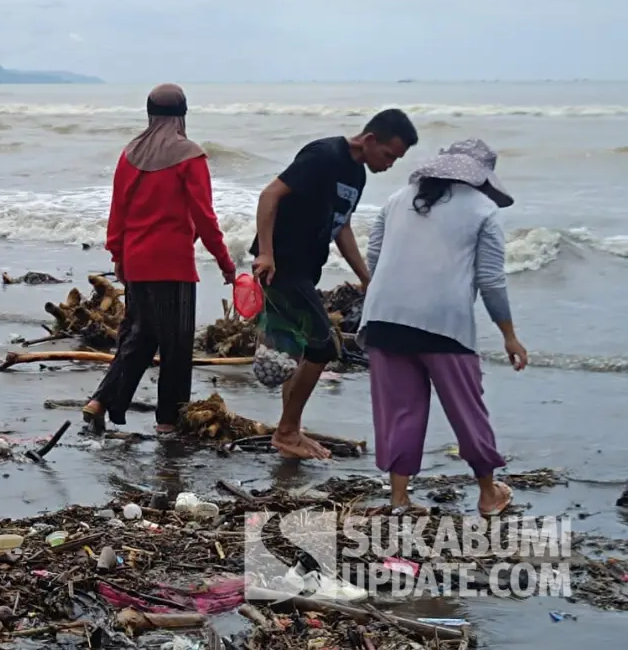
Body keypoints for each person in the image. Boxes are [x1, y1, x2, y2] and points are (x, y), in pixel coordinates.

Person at [359, 139, 528, 516]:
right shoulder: (484, 209)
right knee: (467, 410)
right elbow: (490, 280)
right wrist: (509, 335)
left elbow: (374, 255)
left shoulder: (398, 198)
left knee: (399, 410)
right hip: (443, 325)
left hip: (384, 319)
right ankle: (488, 494)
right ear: (480, 176)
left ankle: (399, 500)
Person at [248, 109, 418, 459]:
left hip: (306, 268)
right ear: (370, 140)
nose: (389, 164)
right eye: (389, 155)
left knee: (297, 349)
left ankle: (290, 430)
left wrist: (366, 278)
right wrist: (266, 253)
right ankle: (286, 432)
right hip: (282, 266)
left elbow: (341, 227)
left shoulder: (357, 174)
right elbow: (269, 195)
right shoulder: (324, 155)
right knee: (323, 346)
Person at [82, 83, 236, 435]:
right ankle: (168, 420)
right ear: (183, 116)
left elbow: (117, 209)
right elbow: (205, 217)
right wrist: (226, 264)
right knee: (176, 345)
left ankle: (100, 401)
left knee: (138, 337)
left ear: (149, 114)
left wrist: (117, 253)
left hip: (136, 260)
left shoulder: (130, 153)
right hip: (173, 264)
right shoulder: (190, 155)